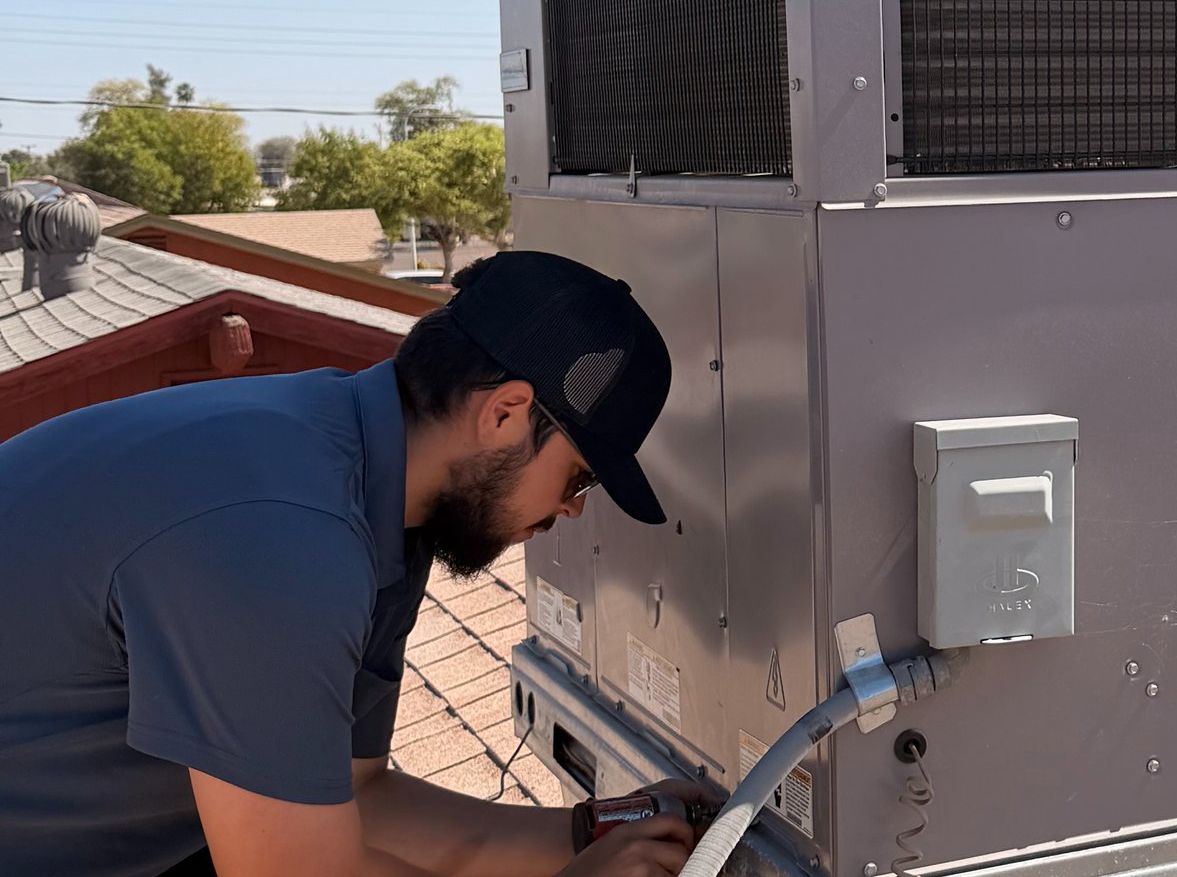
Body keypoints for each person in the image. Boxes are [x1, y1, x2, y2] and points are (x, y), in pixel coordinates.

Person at [0, 251, 710, 876]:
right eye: (580, 477)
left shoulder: (381, 504)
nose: (574, 509)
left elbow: (358, 798)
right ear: (504, 414)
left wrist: (589, 835)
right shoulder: (283, 533)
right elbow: (295, 870)